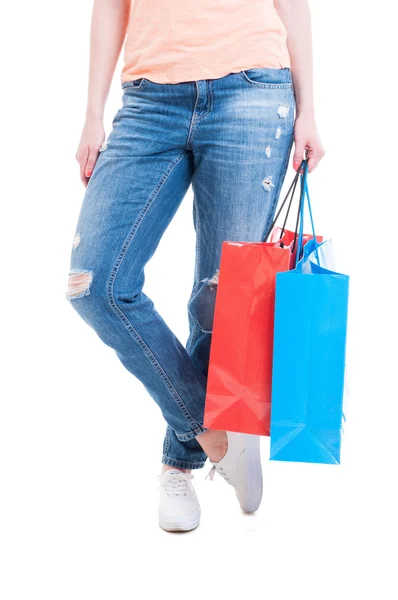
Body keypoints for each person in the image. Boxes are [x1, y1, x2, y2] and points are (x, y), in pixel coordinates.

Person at [66, 0, 324, 532]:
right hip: (148, 102)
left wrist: (310, 109)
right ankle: (216, 434)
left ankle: (177, 463)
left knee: (219, 302)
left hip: (253, 91)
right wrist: (92, 113)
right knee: (95, 283)